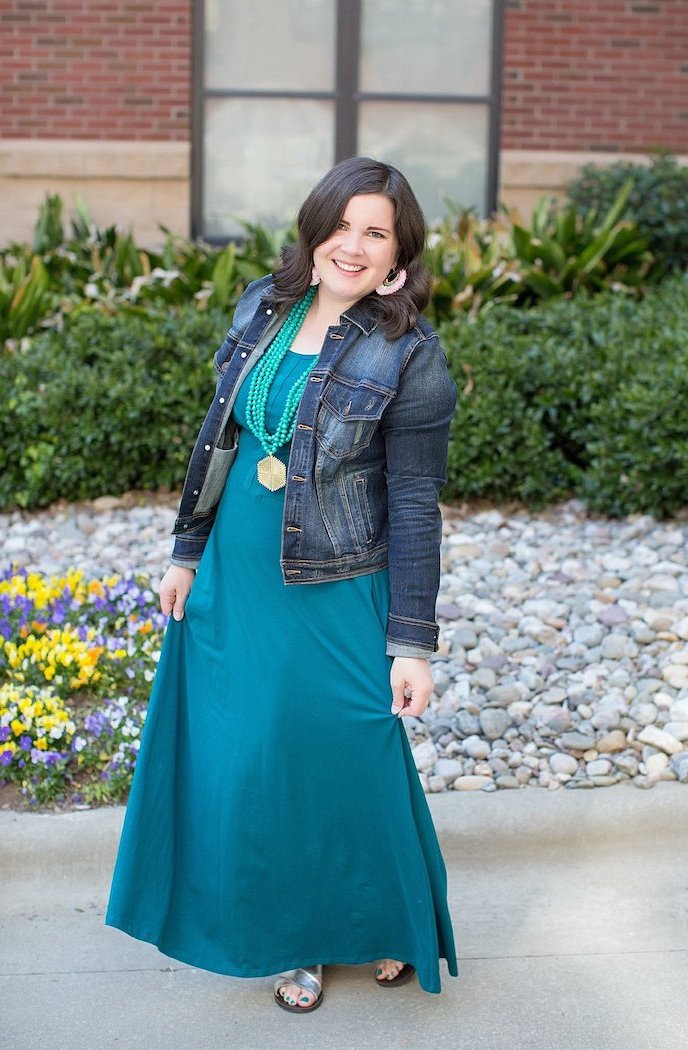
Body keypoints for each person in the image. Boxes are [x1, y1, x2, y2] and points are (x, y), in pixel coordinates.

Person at [105, 155, 459, 1012]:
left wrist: (411, 641)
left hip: (336, 577)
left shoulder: (410, 355)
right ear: (315, 228)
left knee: (350, 747)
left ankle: (382, 918)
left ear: (398, 257)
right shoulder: (263, 306)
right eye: (342, 224)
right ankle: (292, 937)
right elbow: (216, 438)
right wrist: (185, 550)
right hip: (239, 566)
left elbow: (415, 503)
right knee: (256, 756)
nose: (353, 245)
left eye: (375, 233)